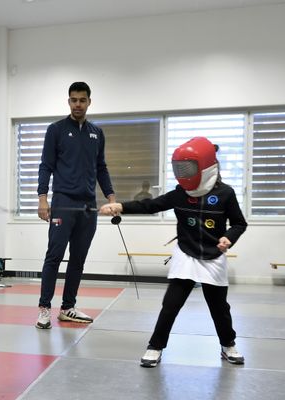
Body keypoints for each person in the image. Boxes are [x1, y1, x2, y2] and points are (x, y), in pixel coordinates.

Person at [99, 136, 247, 367]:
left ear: (206, 166)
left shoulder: (226, 194)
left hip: (213, 258)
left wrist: (229, 237)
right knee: (171, 304)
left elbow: (240, 223)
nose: (183, 172)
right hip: (186, 255)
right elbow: (150, 205)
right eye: (180, 168)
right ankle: (155, 346)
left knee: (219, 308)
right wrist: (121, 206)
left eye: (188, 167)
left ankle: (228, 345)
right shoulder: (180, 194)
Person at [36, 81, 115, 329]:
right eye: (73, 100)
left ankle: (68, 307)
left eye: (82, 100)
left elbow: (100, 167)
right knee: (54, 256)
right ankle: (44, 308)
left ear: (89, 102)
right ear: (68, 101)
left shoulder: (96, 133)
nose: (77, 104)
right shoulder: (56, 129)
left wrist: (111, 198)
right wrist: (42, 199)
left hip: (88, 207)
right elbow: (46, 166)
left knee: (78, 258)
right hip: (63, 203)